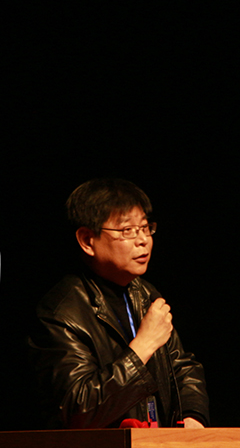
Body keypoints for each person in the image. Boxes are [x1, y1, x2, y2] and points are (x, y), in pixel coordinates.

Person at [28, 178, 209, 429]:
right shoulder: (60, 312)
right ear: (87, 240)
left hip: (156, 446)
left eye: (145, 228)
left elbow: (181, 367)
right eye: (128, 230)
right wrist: (144, 344)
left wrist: (192, 416)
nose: (143, 240)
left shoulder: (145, 293)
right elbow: (79, 408)